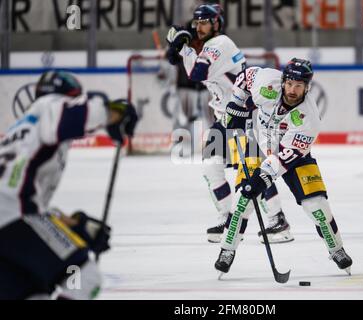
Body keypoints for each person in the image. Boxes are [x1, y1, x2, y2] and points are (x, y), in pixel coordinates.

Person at [0, 70, 138, 299]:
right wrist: (114, 112)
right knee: (85, 277)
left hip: (12, 225)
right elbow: (74, 117)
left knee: (32, 293)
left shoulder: (18, 135)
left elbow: (33, 205)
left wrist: (73, 225)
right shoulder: (48, 105)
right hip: (15, 217)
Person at [165, 3, 293, 244]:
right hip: (224, 118)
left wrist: (182, 48)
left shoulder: (221, 43)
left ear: (216, 24)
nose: (199, 27)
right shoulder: (206, 47)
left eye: (204, 22)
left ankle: (278, 220)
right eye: (197, 22)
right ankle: (227, 218)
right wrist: (179, 48)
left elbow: (197, 74)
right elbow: (183, 61)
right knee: (211, 167)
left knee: (252, 170)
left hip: (244, 115)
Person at [214, 58, 353, 275]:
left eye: (299, 86)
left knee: (317, 205)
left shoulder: (309, 119)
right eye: (289, 83)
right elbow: (244, 77)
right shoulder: (267, 82)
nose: (292, 90)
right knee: (243, 200)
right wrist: (235, 105)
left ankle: (336, 248)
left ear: (307, 87)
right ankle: (227, 249)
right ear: (284, 80)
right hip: (257, 144)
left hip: (292, 157)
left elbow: (284, 158)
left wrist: (262, 178)